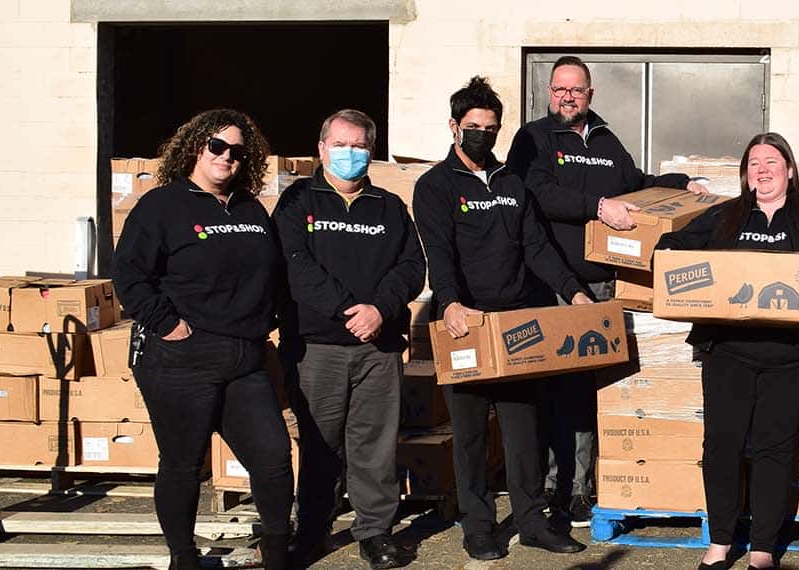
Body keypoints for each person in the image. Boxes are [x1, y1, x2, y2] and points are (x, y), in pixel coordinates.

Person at [656, 132, 799, 570]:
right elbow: (671, 248)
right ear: (745, 173)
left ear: (789, 170)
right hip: (729, 348)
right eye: (754, 162)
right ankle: (719, 543)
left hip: (797, 353)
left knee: (777, 446)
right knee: (721, 442)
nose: (763, 169)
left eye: (772, 161)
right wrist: (670, 261)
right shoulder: (724, 217)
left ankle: (762, 549)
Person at [506, 55, 706, 525]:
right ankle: (553, 487)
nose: (568, 96)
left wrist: (681, 184)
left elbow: (633, 186)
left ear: (590, 94)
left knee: (594, 388)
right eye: (560, 89)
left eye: (576, 89)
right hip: (555, 284)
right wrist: (597, 207)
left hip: (606, 283)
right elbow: (533, 193)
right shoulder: (533, 139)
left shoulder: (608, 140)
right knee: (556, 388)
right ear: (548, 92)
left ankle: (579, 486)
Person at [413, 76, 591, 561]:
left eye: (491, 129)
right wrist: (449, 303)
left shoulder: (513, 181)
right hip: (464, 324)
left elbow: (536, 246)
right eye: (474, 128)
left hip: (515, 325)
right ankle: (478, 525)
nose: (483, 137)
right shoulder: (434, 187)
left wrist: (573, 292)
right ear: (454, 127)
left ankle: (532, 521)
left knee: (523, 432)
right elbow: (439, 253)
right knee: (469, 435)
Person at [113, 109, 293, 570]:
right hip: (181, 358)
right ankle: (184, 556)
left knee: (273, 460)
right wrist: (168, 324)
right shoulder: (162, 205)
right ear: (196, 146)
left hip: (244, 358)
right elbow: (130, 275)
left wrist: (269, 318)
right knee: (183, 463)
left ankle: (275, 549)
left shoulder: (250, 207)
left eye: (238, 151)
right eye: (217, 146)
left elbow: (274, 273)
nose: (227, 156)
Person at [273, 109, 425, 569]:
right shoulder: (299, 201)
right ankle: (314, 529)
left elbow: (411, 267)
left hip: (377, 348)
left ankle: (375, 531)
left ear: (371, 153)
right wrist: (346, 311)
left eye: (358, 146)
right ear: (321, 149)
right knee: (320, 445)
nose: (349, 154)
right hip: (317, 347)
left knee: (374, 445)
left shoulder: (388, 207)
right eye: (340, 145)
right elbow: (293, 264)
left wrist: (380, 309)